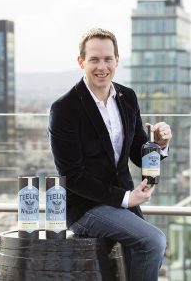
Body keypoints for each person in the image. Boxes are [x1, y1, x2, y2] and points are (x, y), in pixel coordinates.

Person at [48, 28, 172, 281]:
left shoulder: (128, 97)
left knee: (144, 255)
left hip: (122, 202)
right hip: (84, 206)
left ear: (117, 60)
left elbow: (139, 153)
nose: (101, 66)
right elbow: (71, 176)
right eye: (94, 59)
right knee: (154, 241)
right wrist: (126, 198)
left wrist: (158, 146)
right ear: (81, 61)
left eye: (108, 59)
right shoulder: (64, 109)